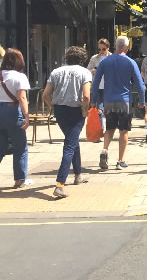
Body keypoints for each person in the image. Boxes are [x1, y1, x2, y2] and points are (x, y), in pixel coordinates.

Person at [42, 46, 91, 198]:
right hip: (76, 111)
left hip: (60, 111)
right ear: (82, 59)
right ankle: (60, 184)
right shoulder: (84, 72)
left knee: (72, 140)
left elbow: (45, 95)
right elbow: (87, 96)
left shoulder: (56, 72)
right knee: (69, 145)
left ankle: (78, 175)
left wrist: (52, 106)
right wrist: (84, 110)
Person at [91, 36, 145, 170]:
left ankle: (105, 150)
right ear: (127, 48)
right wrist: (142, 100)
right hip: (124, 101)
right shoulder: (131, 62)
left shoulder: (104, 61)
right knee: (124, 131)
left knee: (109, 128)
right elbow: (139, 84)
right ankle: (121, 160)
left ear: (115, 46)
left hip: (108, 100)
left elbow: (96, 82)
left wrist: (93, 100)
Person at [0, 48, 31, 188]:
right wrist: (26, 116)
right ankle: (19, 179)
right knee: (20, 146)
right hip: (13, 111)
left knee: (1, 146)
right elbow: (22, 97)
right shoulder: (19, 76)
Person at [87, 38, 111, 137]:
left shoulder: (112, 58)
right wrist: (92, 71)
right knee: (98, 110)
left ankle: (109, 131)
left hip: (109, 87)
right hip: (97, 87)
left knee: (109, 111)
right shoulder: (94, 58)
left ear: (108, 48)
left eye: (103, 49)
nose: (101, 51)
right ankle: (100, 131)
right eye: (99, 49)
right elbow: (87, 70)